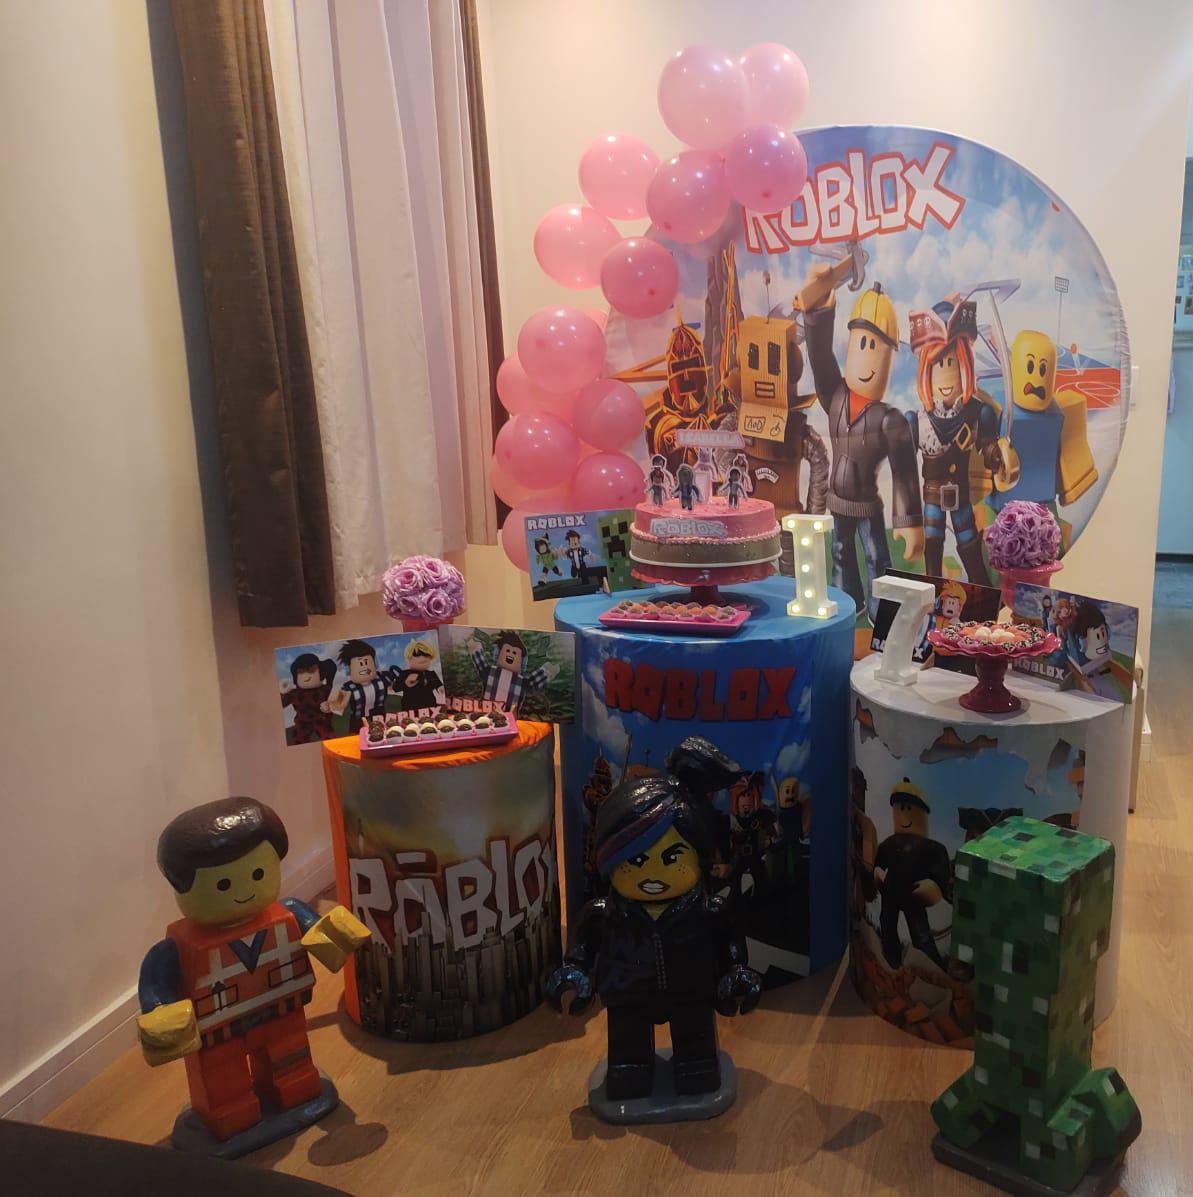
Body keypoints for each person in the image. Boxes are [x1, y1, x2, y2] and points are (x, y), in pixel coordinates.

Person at [136, 798, 368, 1141]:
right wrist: (160, 1011)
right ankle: (230, 1114)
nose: (243, 891)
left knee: (290, 1059)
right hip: (218, 1030)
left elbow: (322, 934)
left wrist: (337, 936)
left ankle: (296, 1090)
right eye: (223, 885)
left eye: (258, 874)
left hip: (281, 1009)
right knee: (223, 1079)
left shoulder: (288, 913)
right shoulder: (176, 950)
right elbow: (156, 983)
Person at [546, 773, 762, 1102]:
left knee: (697, 1057)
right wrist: (575, 970)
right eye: (636, 860)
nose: (652, 874)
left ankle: (696, 1067)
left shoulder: (708, 910)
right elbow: (582, 944)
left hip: (691, 990)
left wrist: (735, 970)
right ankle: (630, 1071)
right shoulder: (605, 913)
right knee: (628, 1057)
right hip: (627, 993)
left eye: (672, 858)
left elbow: (729, 941)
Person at [801, 273, 924, 620]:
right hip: (838, 501)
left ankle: (882, 613)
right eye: (863, 343)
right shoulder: (835, 397)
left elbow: (904, 472)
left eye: (877, 347)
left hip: (868, 504)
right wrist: (819, 312)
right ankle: (847, 602)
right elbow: (820, 357)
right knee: (840, 552)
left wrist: (909, 521)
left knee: (876, 557)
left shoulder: (889, 419)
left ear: (889, 358)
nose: (868, 357)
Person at [906, 300, 1002, 584]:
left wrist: (997, 455)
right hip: (931, 496)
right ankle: (931, 595)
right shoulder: (917, 421)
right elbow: (904, 471)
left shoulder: (978, 413)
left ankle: (983, 594)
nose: (945, 373)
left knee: (970, 546)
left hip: (961, 495)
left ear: (965, 368)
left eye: (951, 363)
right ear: (927, 372)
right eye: (939, 364)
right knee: (932, 550)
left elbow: (988, 447)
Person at [873, 779, 952, 971]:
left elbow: (941, 874)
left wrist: (933, 887)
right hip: (891, 892)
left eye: (908, 808)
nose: (903, 815)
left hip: (914, 895)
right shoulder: (889, 844)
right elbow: (879, 862)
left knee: (921, 934)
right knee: (887, 928)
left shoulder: (932, 847)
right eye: (900, 808)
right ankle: (892, 960)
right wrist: (878, 872)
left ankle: (933, 966)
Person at [279, 653, 336, 743]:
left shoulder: (325, 690)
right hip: (302, 722)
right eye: (301, 672)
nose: (306, 675)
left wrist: (330, 706)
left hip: (322, 719)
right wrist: (282, 692)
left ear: (320, 671)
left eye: (311, 670)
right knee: (297, 741)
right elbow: (281, 704)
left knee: (330, 740)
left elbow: (337, 703)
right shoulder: (295, 693)